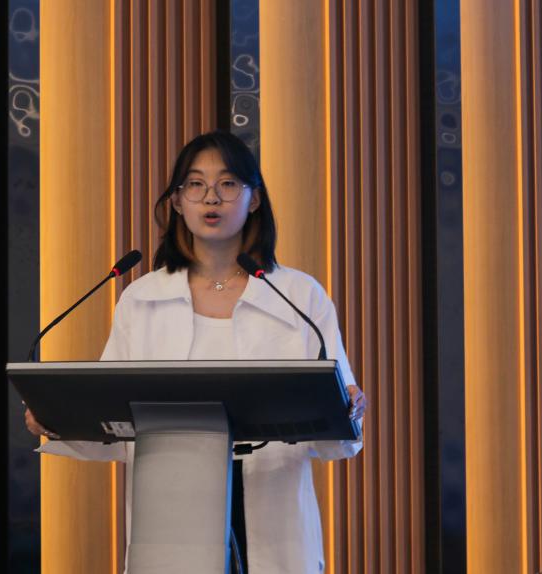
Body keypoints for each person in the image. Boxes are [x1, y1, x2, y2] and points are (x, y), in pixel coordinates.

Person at [25, 130, 366, 574]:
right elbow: (112, 413)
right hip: (171, 503)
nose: (211, 197)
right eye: (195, 184)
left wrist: (349, 406)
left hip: (272, 504)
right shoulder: (142, 298)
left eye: (228, 183)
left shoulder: (299, 295)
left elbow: (338, 423)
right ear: (177, 201)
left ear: (254, 200)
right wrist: (58, 420)